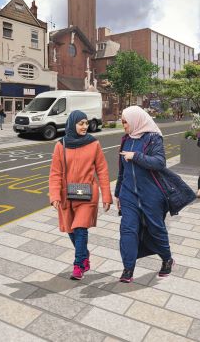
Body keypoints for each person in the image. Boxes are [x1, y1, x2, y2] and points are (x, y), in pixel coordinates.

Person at [49, 110, 112, 280]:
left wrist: (106, 195)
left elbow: (102, 170)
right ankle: (84, 255)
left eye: (86, 123)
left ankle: (78, 265)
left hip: (87, 195)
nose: (85, 126)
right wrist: (54, 195)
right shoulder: (60, 145)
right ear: (72, 124)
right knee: (71, 230)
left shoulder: (94, 143)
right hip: (66, 196)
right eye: (81, 123)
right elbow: (55, 173)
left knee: (80, 228)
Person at [115, 106, 174, 283]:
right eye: (123, 121)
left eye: (125, 122)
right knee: (127, 229)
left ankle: (167, 258)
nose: (123, 125)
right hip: (128, 194)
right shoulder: (126, 139)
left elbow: (159, 162)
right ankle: (128, 268)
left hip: (151, 194)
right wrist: (118, 193)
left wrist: (136, 156)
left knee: (156, 229)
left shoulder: (153, 138)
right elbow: (122, 170)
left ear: (135, 120)